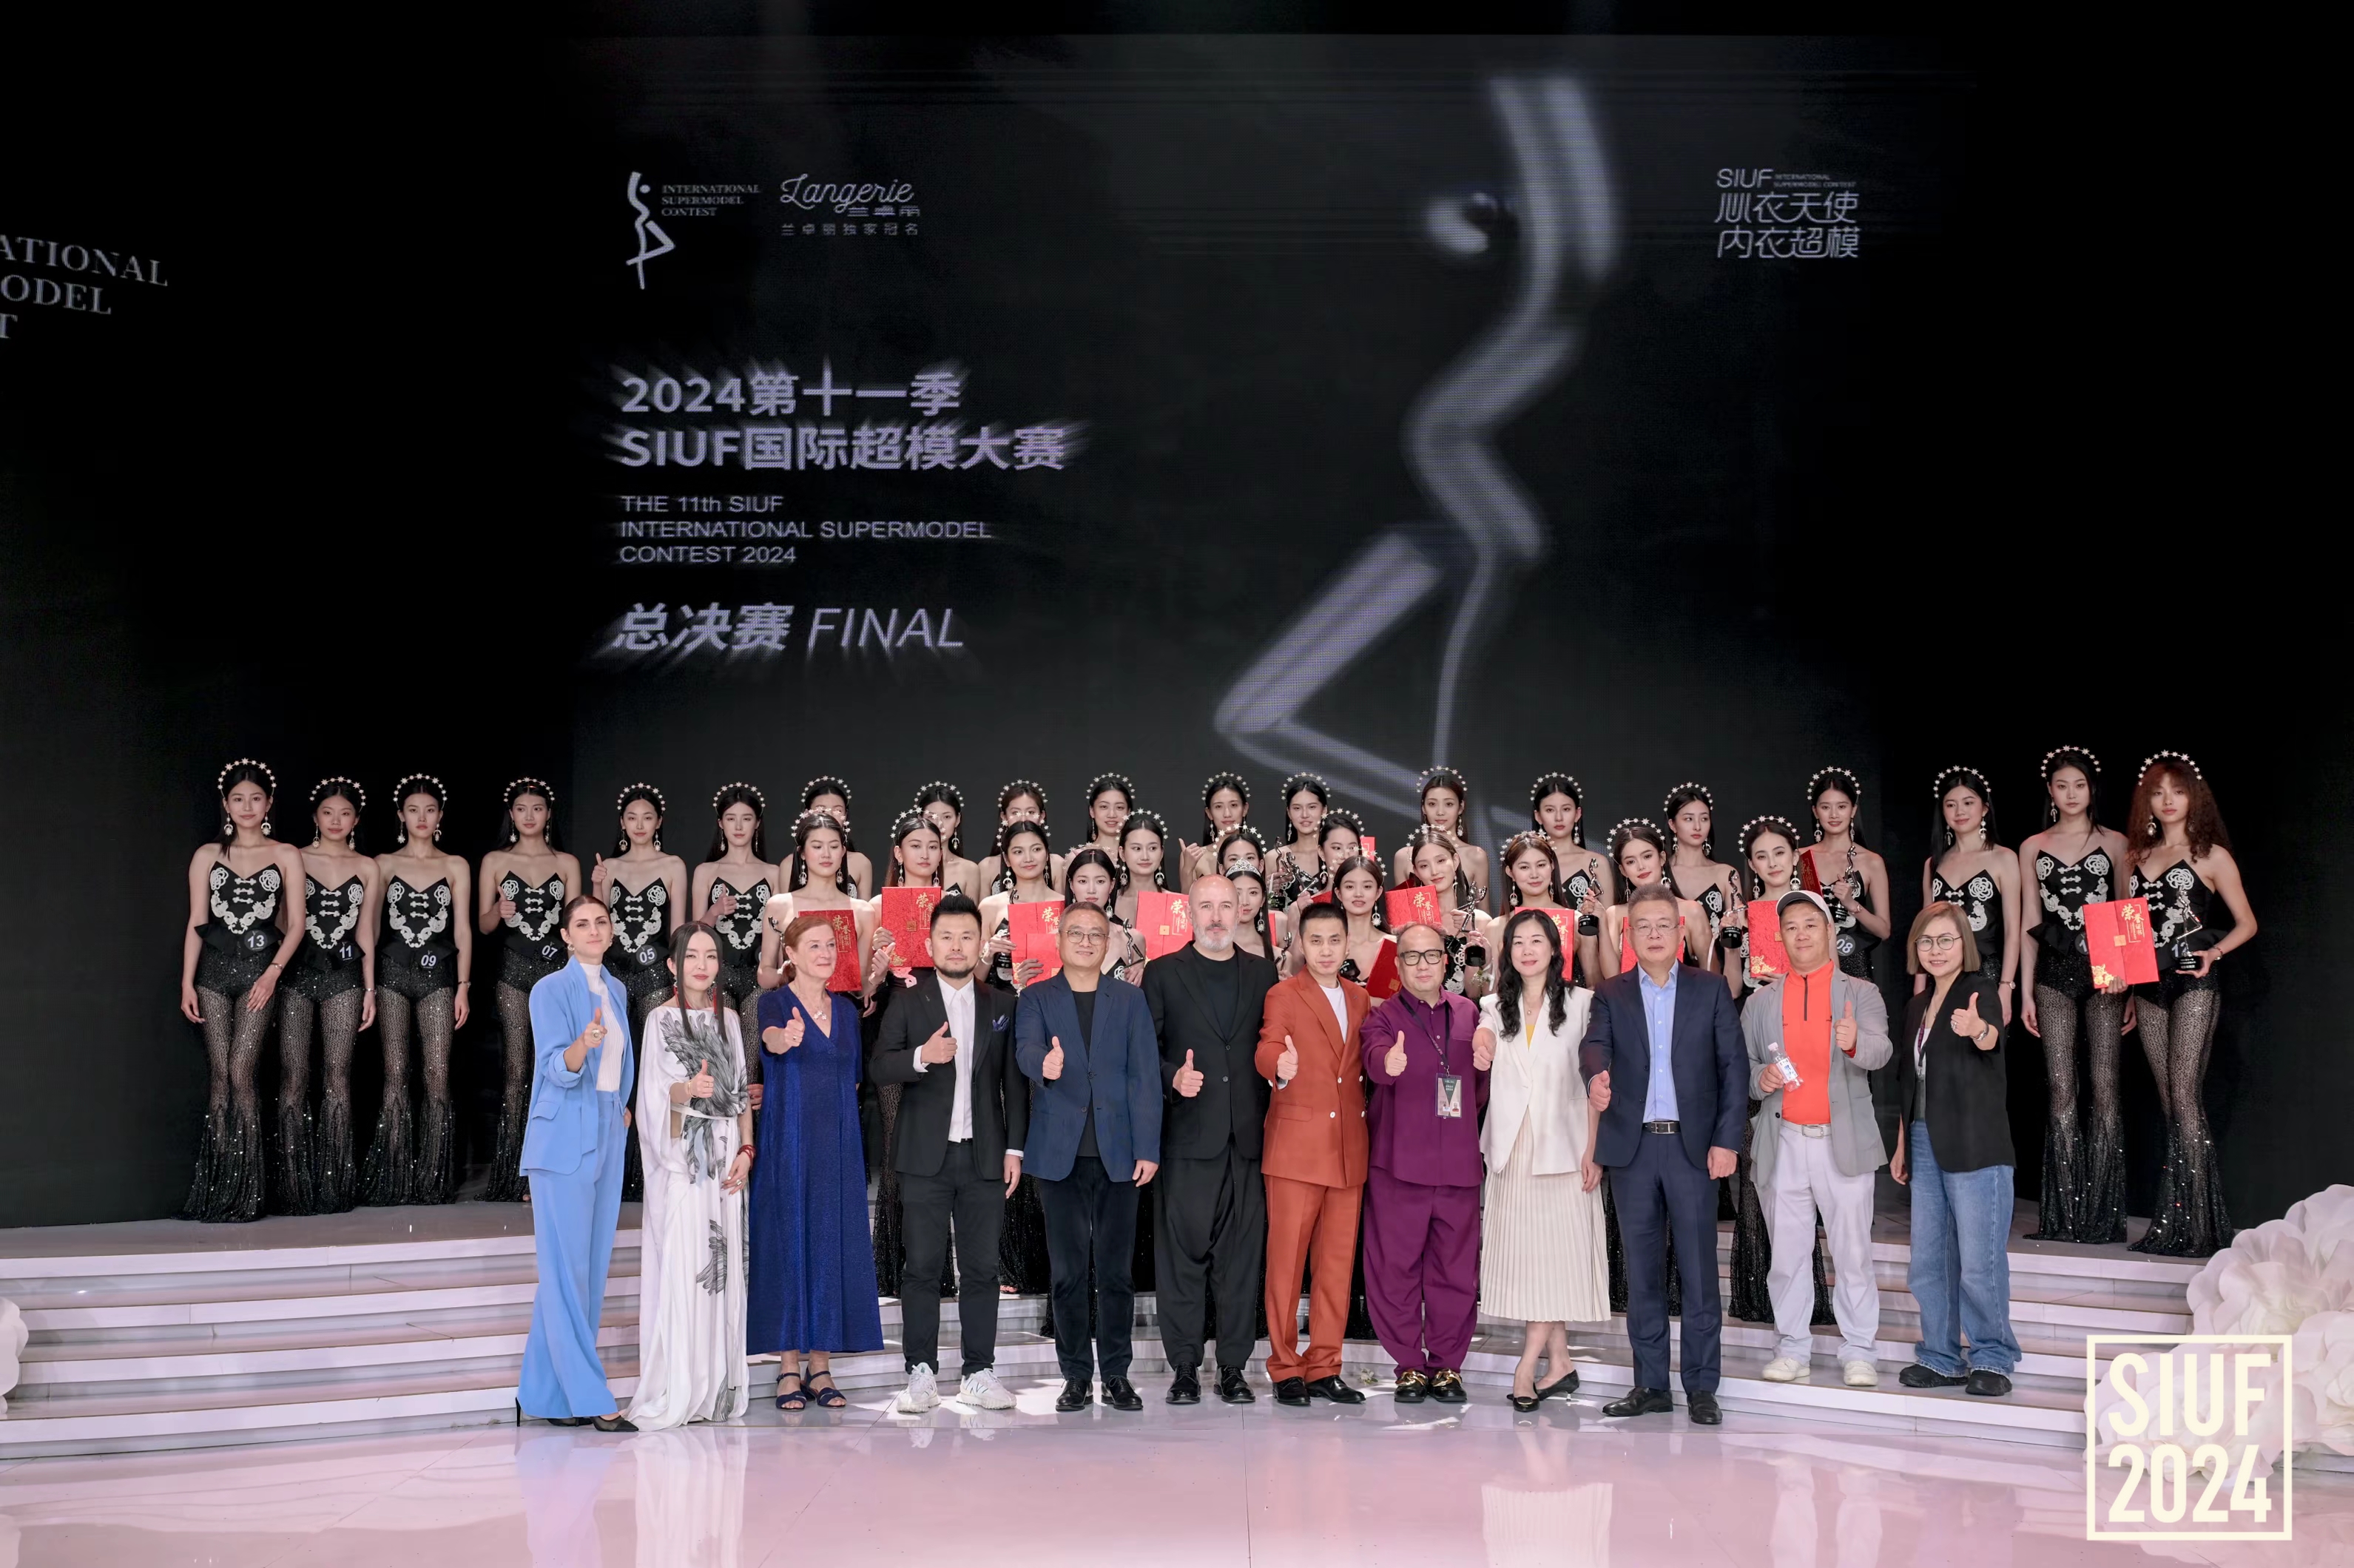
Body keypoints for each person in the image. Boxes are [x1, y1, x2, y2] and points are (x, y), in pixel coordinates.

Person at [1579, 882, 1745, 1425]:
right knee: (1642, 1274)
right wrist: (1596, 1077)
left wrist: (1727, 1140)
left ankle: (1701, 1386)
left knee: (1699, 1272)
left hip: (1692, 1149)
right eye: (1643, 926)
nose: (1654, 934)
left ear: (1680, 931)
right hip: (1632, 1150)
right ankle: (1650, 1384)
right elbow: (1594, 1045)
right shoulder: (1611, 993)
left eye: (1663, 925)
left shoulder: (1710, 989)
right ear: (1629, 936)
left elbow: (1733, 1069)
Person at [869, 893, 1025, 1413]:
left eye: (966, 937)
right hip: (924, 1158)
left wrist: (1014, 1149)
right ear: (930, 943)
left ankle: (979, 1371)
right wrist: (922, 1055)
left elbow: (1014, 1084)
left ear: (980, 944)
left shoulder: (1002, 1004)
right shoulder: (908, 1001)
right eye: (947, 937)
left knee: (982, 1270)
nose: (957, 946)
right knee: (921, 1268)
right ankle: (921, 1373)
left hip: (985, 1156)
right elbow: (880, 1067)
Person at [1015, 902, 1164, 1413]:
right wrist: (1046, 1064)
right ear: (1058, 939)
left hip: (1120, 1154)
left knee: (1117, 1273)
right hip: (1060, 1156)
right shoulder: (1036, 997)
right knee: (1068, 1273)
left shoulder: (1129, 999)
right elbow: (1024, 1050)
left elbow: (1145, 1075)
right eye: (1075, 933)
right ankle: (1076, 1376)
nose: (1085, 941)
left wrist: (1148, 1147)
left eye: (1095, 934)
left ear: (1109, 943)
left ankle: (1117, 1374)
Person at [1743, 891, 1891, 1389]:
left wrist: (1854, 1041)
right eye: (1791, 927)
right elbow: (1744, 1069)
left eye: (1811, 924)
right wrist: (1760, 1078)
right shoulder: (1761, 1002)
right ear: (1780, 938)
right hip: (1782, 1140)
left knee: (1853, 1253)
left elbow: (1881, 1051)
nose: (1801, 934)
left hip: (1841, 1140)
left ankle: (1860, 1350)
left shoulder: (1861, 993)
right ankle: (1792, 1348)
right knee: (1787, 1255)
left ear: (1830, 931)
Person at [1144, 875, 1278, 1405]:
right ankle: (1183, 1367)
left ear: (1242, 909)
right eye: (1207, 906)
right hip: (1187, 1137)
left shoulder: (1263, 972)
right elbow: (1145, 1051)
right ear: (1190, 912)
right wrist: (1171, 1078)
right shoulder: (1163, 973)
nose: (1218, 916)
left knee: (1240, 1261)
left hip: (1248, 1139)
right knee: (1181, 1259)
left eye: (1227, 905)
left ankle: (1232, 1367)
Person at [749, 914, 883, 1410]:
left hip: (839, 1144)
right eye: (814, 946)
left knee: (830, 1244)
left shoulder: (847, 1010)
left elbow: (853, 1080)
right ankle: (788, 1367)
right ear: (791, 954)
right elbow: (771, 1040)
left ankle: (820, 1366)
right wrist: (785, 1037)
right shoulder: (773, 1002)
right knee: (788, 1244)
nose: (825, 953)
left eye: (831, 945)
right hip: (788, 1140)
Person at [2124, 752, 2256, 1257]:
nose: (2168, 801)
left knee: (2184, 1094)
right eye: (2158, 793)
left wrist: (2213, 953)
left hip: (2194, 982)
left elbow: (2247, 923)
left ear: (2192, 798)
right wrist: (2124, 987)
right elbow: (2128, 930)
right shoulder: (2136, 855)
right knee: (2170, 1101)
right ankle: (2185, 1221)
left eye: (2177, 792)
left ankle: (2198, 1226)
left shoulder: (2211, 855)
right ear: (2148, 801)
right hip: (2147, 988)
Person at [1476, 909, 1608, 1410]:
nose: (1528, 950)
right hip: (1512, 1151)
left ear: (1556, 948)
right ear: (1507, 952)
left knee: (1560, 1261)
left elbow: (1594, 1083)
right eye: (1518, 942)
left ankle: (1526, 1366)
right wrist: (1483, 1043)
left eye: (1537, 941)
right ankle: (1562, 1363)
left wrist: (1593, 1150)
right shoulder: (1494, 1005)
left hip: (1566, 1149)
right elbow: (1484, 1034)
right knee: (1533, 1264)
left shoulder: (1583, 1004)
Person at [518, 893, 638, 1432]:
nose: (593, 930)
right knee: (567, 1274)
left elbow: (621, 1064)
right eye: (582, 924)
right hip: (563, 1134)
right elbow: (554, 1068)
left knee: (585, 1273)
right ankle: (591, 1397)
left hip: (607, 1129)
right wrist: (581, 1046)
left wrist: (621, 1107)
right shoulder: (549, 989)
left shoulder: (616, 989)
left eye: (601, 922)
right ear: (566, 936)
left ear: (611, 932)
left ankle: (546, 1395)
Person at [1891, 902, 2019, 1397]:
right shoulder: (1916, 1007)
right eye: (1926, 941)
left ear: (1964, 943)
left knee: (1980, 1261)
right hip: (1924, 1139)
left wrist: (1978, 1030)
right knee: (1929, 1260)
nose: (1936, 950)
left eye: (1946, 939)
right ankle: (1941, 1357)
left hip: (1974, 1142)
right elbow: (1908, 1082)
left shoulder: (1979, 991)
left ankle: (1992, 1357)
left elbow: (1992, 1041)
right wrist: (1903, 1143)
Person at [629, 922, 752, 1430]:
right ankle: (678, 1385)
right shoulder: (659, 1019)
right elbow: (652, 1098)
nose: (702, 965)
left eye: (711, 956)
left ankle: (715, 1388)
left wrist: (746, 1150)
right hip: (683, 1161)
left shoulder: (730, 1019)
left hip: (725, 1158)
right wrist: (687, 1089)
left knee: (722, 1273)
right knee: (686, 1271)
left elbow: (741, 1093)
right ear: (673, 965)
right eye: (692, 956)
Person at [1360, 922, 1488, 1405]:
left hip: (1457, 1165)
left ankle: (1447, 1365)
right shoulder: (1382, 1017)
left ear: (1446, 960)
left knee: (1455, 1272)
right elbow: (1373, 1059)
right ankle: (1409, 1366)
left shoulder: (1469, 1013)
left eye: (1431, 955)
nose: (1422, 965)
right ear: (1398, 965)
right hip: (1398, 1167)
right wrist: (1386, 1064)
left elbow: (1480, 1086)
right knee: (1394, 1270)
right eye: (1411, 957)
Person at [181, 759, 309, 1222]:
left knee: (241, 1070)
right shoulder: (207, 855)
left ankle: (247, 1192)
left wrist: (273, 973)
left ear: (268, 803)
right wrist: (187, 981)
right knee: (220, 1073)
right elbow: (197, 923)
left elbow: (298, 925)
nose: (247, 807)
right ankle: (220, 1191)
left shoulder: (286, 854)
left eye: (256, 799)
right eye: (239, 799)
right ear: (226, 804)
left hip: (261, 975)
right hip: (213, 975)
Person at [1255, 899, 1372, 1408]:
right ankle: (1285, 1367)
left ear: (1347, 943)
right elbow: (1267, 1044)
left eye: (1334, 940)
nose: (1325, 950)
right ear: (1301, 943)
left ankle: (1325, 1365)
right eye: (1316, 941)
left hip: (1348, 1150)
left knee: (1336, 1267)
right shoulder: (1284, 993)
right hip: (1296, 1151)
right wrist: (1277, 1065)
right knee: (1286, 1265)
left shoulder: (1361, 998)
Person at [2017, 747, 2130, 1244]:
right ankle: (2063, 1215)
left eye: (2079, 785)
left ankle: (2103, 1215)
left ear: (2091, 789)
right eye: (2061, 786)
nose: (2070, 794)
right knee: (2062, 1089)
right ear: (2050, 791)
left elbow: (2128, 913)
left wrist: (2129, 985)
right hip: (2053, 973)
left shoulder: (2116, 842)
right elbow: (2029, 921)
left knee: (2105, 1087)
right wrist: (2025, 992)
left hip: (2106, 973)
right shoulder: (2032, 845)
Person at [368, 774, 472, 1206]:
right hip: (391, 973)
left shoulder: (455, 865)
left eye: (430, 810)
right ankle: (394, 1176)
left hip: (439, 978)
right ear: (401, 815)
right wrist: (368, 985)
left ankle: (434, 1177)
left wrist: (463, 987)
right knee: (395, 1071)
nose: (422, 818)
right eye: (414, 810)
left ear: (440, 816)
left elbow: (463, 930)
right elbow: (371, 929)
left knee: (437, 1071)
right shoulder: (383, 863)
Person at [479, 778, 580, 1205]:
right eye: (521, 809)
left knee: (555, 1068)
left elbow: (575, 927)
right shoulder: (495, 860)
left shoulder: (566, 863)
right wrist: (496, 911)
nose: (529, 816)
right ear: (512, 815)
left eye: (537, 808)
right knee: (518, 1070)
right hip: (513, 974)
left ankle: (553, 1168)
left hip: (555, 974)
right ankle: (514, 1174)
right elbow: (483, 925)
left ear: (548, 814)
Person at [283, 777, 378, 1215]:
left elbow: (366, 932)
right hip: (297, 975)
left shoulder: (367, 866)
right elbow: (283, 922)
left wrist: (370, 988)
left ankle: (335, 1183)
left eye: (345, 814)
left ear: (356, 820)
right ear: (315, 817)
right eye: (328, 813)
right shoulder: (295, 857)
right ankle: (294, 1184)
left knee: (338, 1075)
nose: (336, 821)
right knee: (294, 1073)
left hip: (345, 976)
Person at [1920, 766, 2019, 1022]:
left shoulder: (2004, 858)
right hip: (1940, 976)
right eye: (1951, 805)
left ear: (1984, 808)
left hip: (1987, 975)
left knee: (1983, 1043)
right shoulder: (1934, 864)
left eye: (1968, 803)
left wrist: (2006, 987)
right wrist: (1919, 993)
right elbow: (1923, 932)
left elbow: (2013, 931)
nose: (1959, 811)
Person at [693, 782, 776, 1050]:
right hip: (719, 973)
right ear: (721, 823)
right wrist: (714, 911)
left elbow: (781, 932)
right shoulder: (706, 871)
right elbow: (694, 935)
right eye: (731, 819)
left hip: (760, 973)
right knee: (720, 1049)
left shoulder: (773, 873)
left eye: (746, 819)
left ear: (757, 823)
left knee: (753, 1048)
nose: (738, 826)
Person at [1802, 767, 1890, 981]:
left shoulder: (1871, 861)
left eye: (1841, 806)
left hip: (1854, 963)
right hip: (1807, 961)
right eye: (1826, 807)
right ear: (1815, 811)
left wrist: (1852, 904)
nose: (1834, 815)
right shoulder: (1800, 858)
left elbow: (1884, 930)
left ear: (1853, 810)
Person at [1599, 820, 1713, 976]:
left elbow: (1710, 973)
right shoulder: (1615, 914)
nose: (1641, 866)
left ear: (1662, 858)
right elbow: (1610, 978)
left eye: (1647, 856)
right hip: (1628, 991)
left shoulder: (1691, 911)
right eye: (1631, 862)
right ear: (1623, 870)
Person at [1394, 767, 1492, 910]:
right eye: (1432, 804)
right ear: (1423, 808)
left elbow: (1484, 913)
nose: (1440, 812)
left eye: (1449, 804)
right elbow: (1400, 914)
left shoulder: (1476, 856)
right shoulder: (1404, 857)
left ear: (1461, 807)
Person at [1662, 783, 1739, 947]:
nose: (1697, 826)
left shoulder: (1727, 874)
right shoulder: (1660, 872)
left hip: (1716, 959)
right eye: (1688, 819)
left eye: (1704, 819)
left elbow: (1737, 930)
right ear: (1672, 824)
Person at [1531, 772, 1613, 920]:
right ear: (1538, 816)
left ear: (1577, 813)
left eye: (1566, 809)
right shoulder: (1526, 863)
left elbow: (1609, 922)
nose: (1559, 817)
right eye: (1550, 810)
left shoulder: (1596, 863)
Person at [775, 776, 874, 898]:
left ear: (846, 815)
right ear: (807, 814)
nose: (829, 816)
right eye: (821, 810)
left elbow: (865, 908)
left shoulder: (861, 862)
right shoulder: (789, 864)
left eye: (837, 811)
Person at [976, 779, 1062, 893]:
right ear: (1004, 817)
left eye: (1031, 812)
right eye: (1015, 813)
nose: (1023, 819)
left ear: (1042, 816)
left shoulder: (1057, 864)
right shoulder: (986, 866)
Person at [1267, 771, 1329, 912]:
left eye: (1312, 807)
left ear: (1324, 810)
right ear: (1289, 812)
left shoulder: (1335, 855)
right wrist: (1272, 892)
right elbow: (1273, 911)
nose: (1304, 815)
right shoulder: (1276, 857)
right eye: (1297, 808)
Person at [914, 781, 985, 901]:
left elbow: (971, 912)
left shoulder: (969, 869)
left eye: (947, 817)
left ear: (957, 820)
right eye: (931, 817)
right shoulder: (909, 865)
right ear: (920, 819)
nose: (939, 824)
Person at [1184, 771, 1252, 888]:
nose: (1227, 814)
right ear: (1209, 813)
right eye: (1219, 807)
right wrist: (1188, 869)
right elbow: (1186, 897)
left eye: (1234, 805)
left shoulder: (1257, 856)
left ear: (1245, 809)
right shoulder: (1196, 857)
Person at [1069, 771, 1137, 865]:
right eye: (1104, 807)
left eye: (1119, 807)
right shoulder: (1076, 857)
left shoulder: (1139, 855)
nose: (1112, 815)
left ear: (1128, 812)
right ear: (1092, 811)